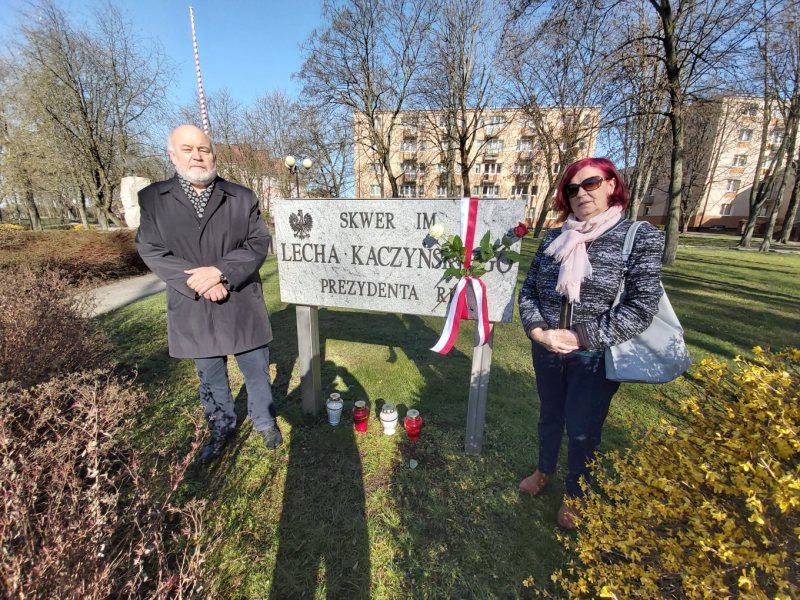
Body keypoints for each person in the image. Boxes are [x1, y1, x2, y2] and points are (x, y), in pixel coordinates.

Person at [517, 157, 664, 529]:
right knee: (549, 415)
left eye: (591, 183)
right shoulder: (553, 238)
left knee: (583, 428)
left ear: (612, 185)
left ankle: (576, 493)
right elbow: (529, 292)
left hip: (595, 356)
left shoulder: (638, 236)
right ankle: (544, 470)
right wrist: (539, 332)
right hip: (547, 348)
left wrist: (579, 337)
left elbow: (641, 306)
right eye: (572, 188)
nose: (581, 193)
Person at [136, 124, 282, 463]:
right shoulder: (154, 199)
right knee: (210, 373)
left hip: (240, 298)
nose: (197, 156)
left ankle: (264, 420)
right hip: (193, 302)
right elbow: (151, 248)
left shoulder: (241, 197)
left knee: (256, 369)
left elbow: (257, 242)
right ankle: (221, 427)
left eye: (204, 149)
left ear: (214, 155)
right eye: (187, 149)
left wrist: (219, 272)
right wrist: (200, 281)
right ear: (172, 155)